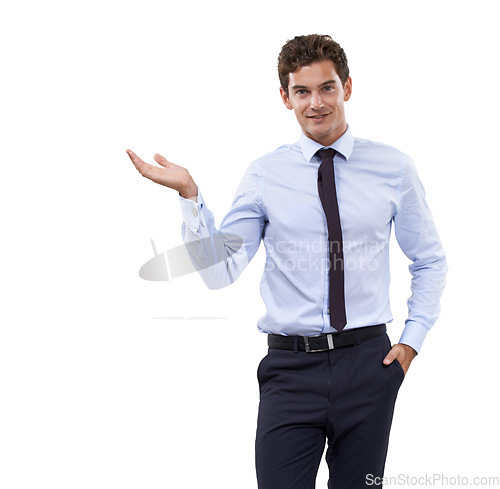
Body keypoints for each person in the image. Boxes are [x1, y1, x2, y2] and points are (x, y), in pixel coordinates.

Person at [126, 34, 447, 489]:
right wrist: (190, 196)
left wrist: (411, 343)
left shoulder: (393, 168)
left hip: (369, 366)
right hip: (290, 372)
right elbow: (221, 272)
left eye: (327, 88)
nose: (316, 103)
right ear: (285, 97)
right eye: (302, 91)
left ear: (347, 88)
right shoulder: (265, 175)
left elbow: (429, 259)